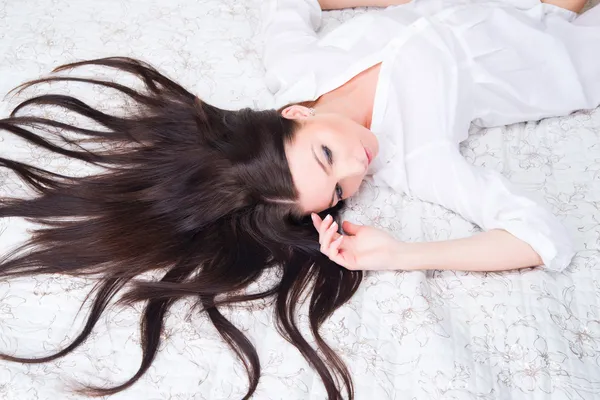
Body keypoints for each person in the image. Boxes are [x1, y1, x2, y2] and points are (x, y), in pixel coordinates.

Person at [0, 1, 597, 400]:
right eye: (339, 193)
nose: (357, 170)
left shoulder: (297, 67)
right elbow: (542, 238)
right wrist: (398, 255)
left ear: (296, 114)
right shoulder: (420, 157)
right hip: (570, 48)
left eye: (326, 156)